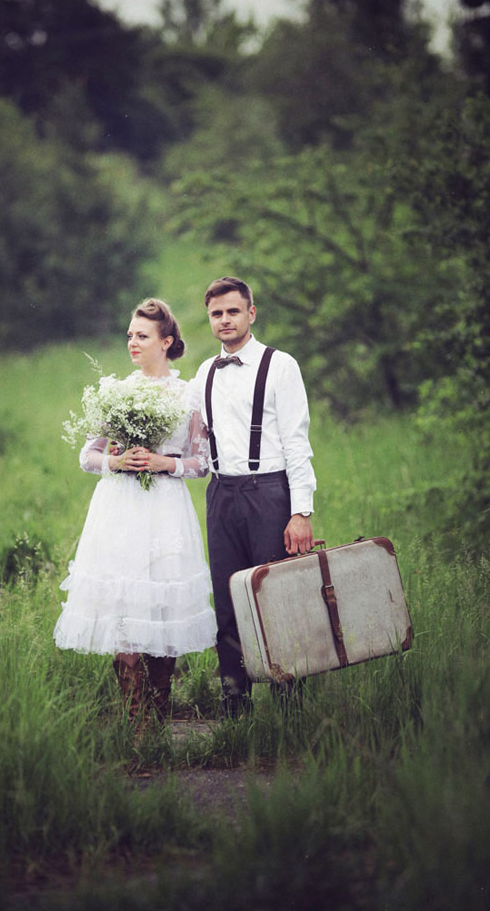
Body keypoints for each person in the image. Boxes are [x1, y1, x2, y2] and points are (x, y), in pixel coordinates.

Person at [54, 299, 217, 724]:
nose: (132, 342)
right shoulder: (114, 392)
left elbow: (203, 463)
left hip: (165, 510)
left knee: (162, 617)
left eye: (141, 336)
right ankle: (135, 725)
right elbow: (86, 456)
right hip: (120, 511)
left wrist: (167, 464)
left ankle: (159, 718)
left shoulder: (188, 395)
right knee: (124, 615)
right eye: (129, 335)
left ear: (166, 342)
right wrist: (117, 461)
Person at [193, 276, 316, 716]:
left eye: (232, 311)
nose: (224, 320)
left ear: (251, 313)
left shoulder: (280, 365)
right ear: (209, 319)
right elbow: (188, 435)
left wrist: (300, 511)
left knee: (276, 596)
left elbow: (297, 442)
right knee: (227, 598)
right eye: (216, 314)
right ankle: (235, 700)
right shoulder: (205, 372)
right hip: (221, 493)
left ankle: (290, 704)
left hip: (269, 493)